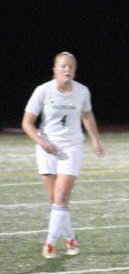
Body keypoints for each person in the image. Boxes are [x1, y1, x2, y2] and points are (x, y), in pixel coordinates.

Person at [21, 51, 104, 258]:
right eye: (64, 66)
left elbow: (87, 116)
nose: (68, 70)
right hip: (46, 148)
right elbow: (27, 123)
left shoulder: (82, 91)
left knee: (61, 197)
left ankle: (49, 244)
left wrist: (95, 141)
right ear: (55, 69)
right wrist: (43, 143)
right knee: (55, 201)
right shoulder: (42, 91)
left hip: (71, 147)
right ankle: (71, 239)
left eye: (71, 67)